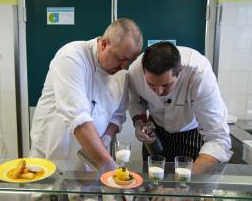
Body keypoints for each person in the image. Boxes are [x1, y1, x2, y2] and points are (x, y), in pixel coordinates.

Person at [30, 18, 143, 172]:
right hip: (53, 154)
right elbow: (78, 118)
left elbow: (117, 115)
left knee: (85, 195)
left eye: (129, 61)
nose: (124, 66)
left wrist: (107, 137)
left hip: (92, 159)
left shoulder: (121, 73)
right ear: (104, 44)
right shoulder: (71, 57)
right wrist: (109, 165)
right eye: (120, 59)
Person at [128, 41, 233, 169]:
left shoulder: (199, 74)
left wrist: (188, 181)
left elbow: (218, 139)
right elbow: (136, 101)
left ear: (180, 70)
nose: (158, 92)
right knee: (153, 185)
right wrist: (139, 123)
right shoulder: (135, 71)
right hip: (156, 135)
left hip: (190, 135)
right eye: (150, 85)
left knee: (186, 185)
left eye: (165, 85)